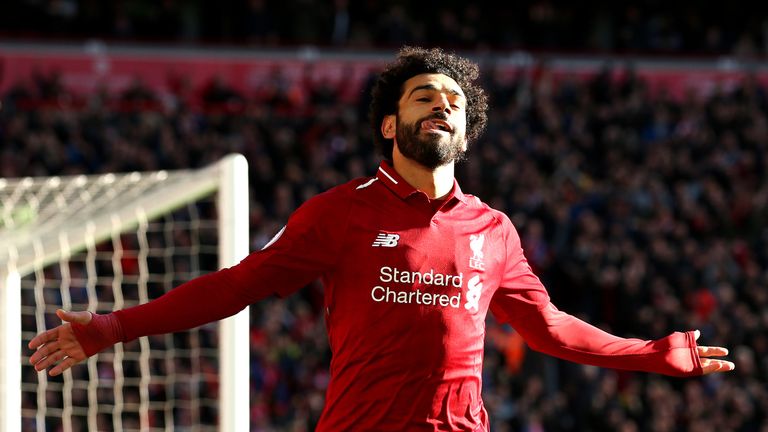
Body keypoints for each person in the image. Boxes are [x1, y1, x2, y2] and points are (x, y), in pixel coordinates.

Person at [28, 46, 735, 431]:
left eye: (452, 100)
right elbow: (238, 285)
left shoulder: (494, 229)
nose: (441, 104)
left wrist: (651, 353)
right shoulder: (338, 214)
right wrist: (112, 327)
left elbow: (548, 330)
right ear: (391, 126)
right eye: (424, 95)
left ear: (467, 130)